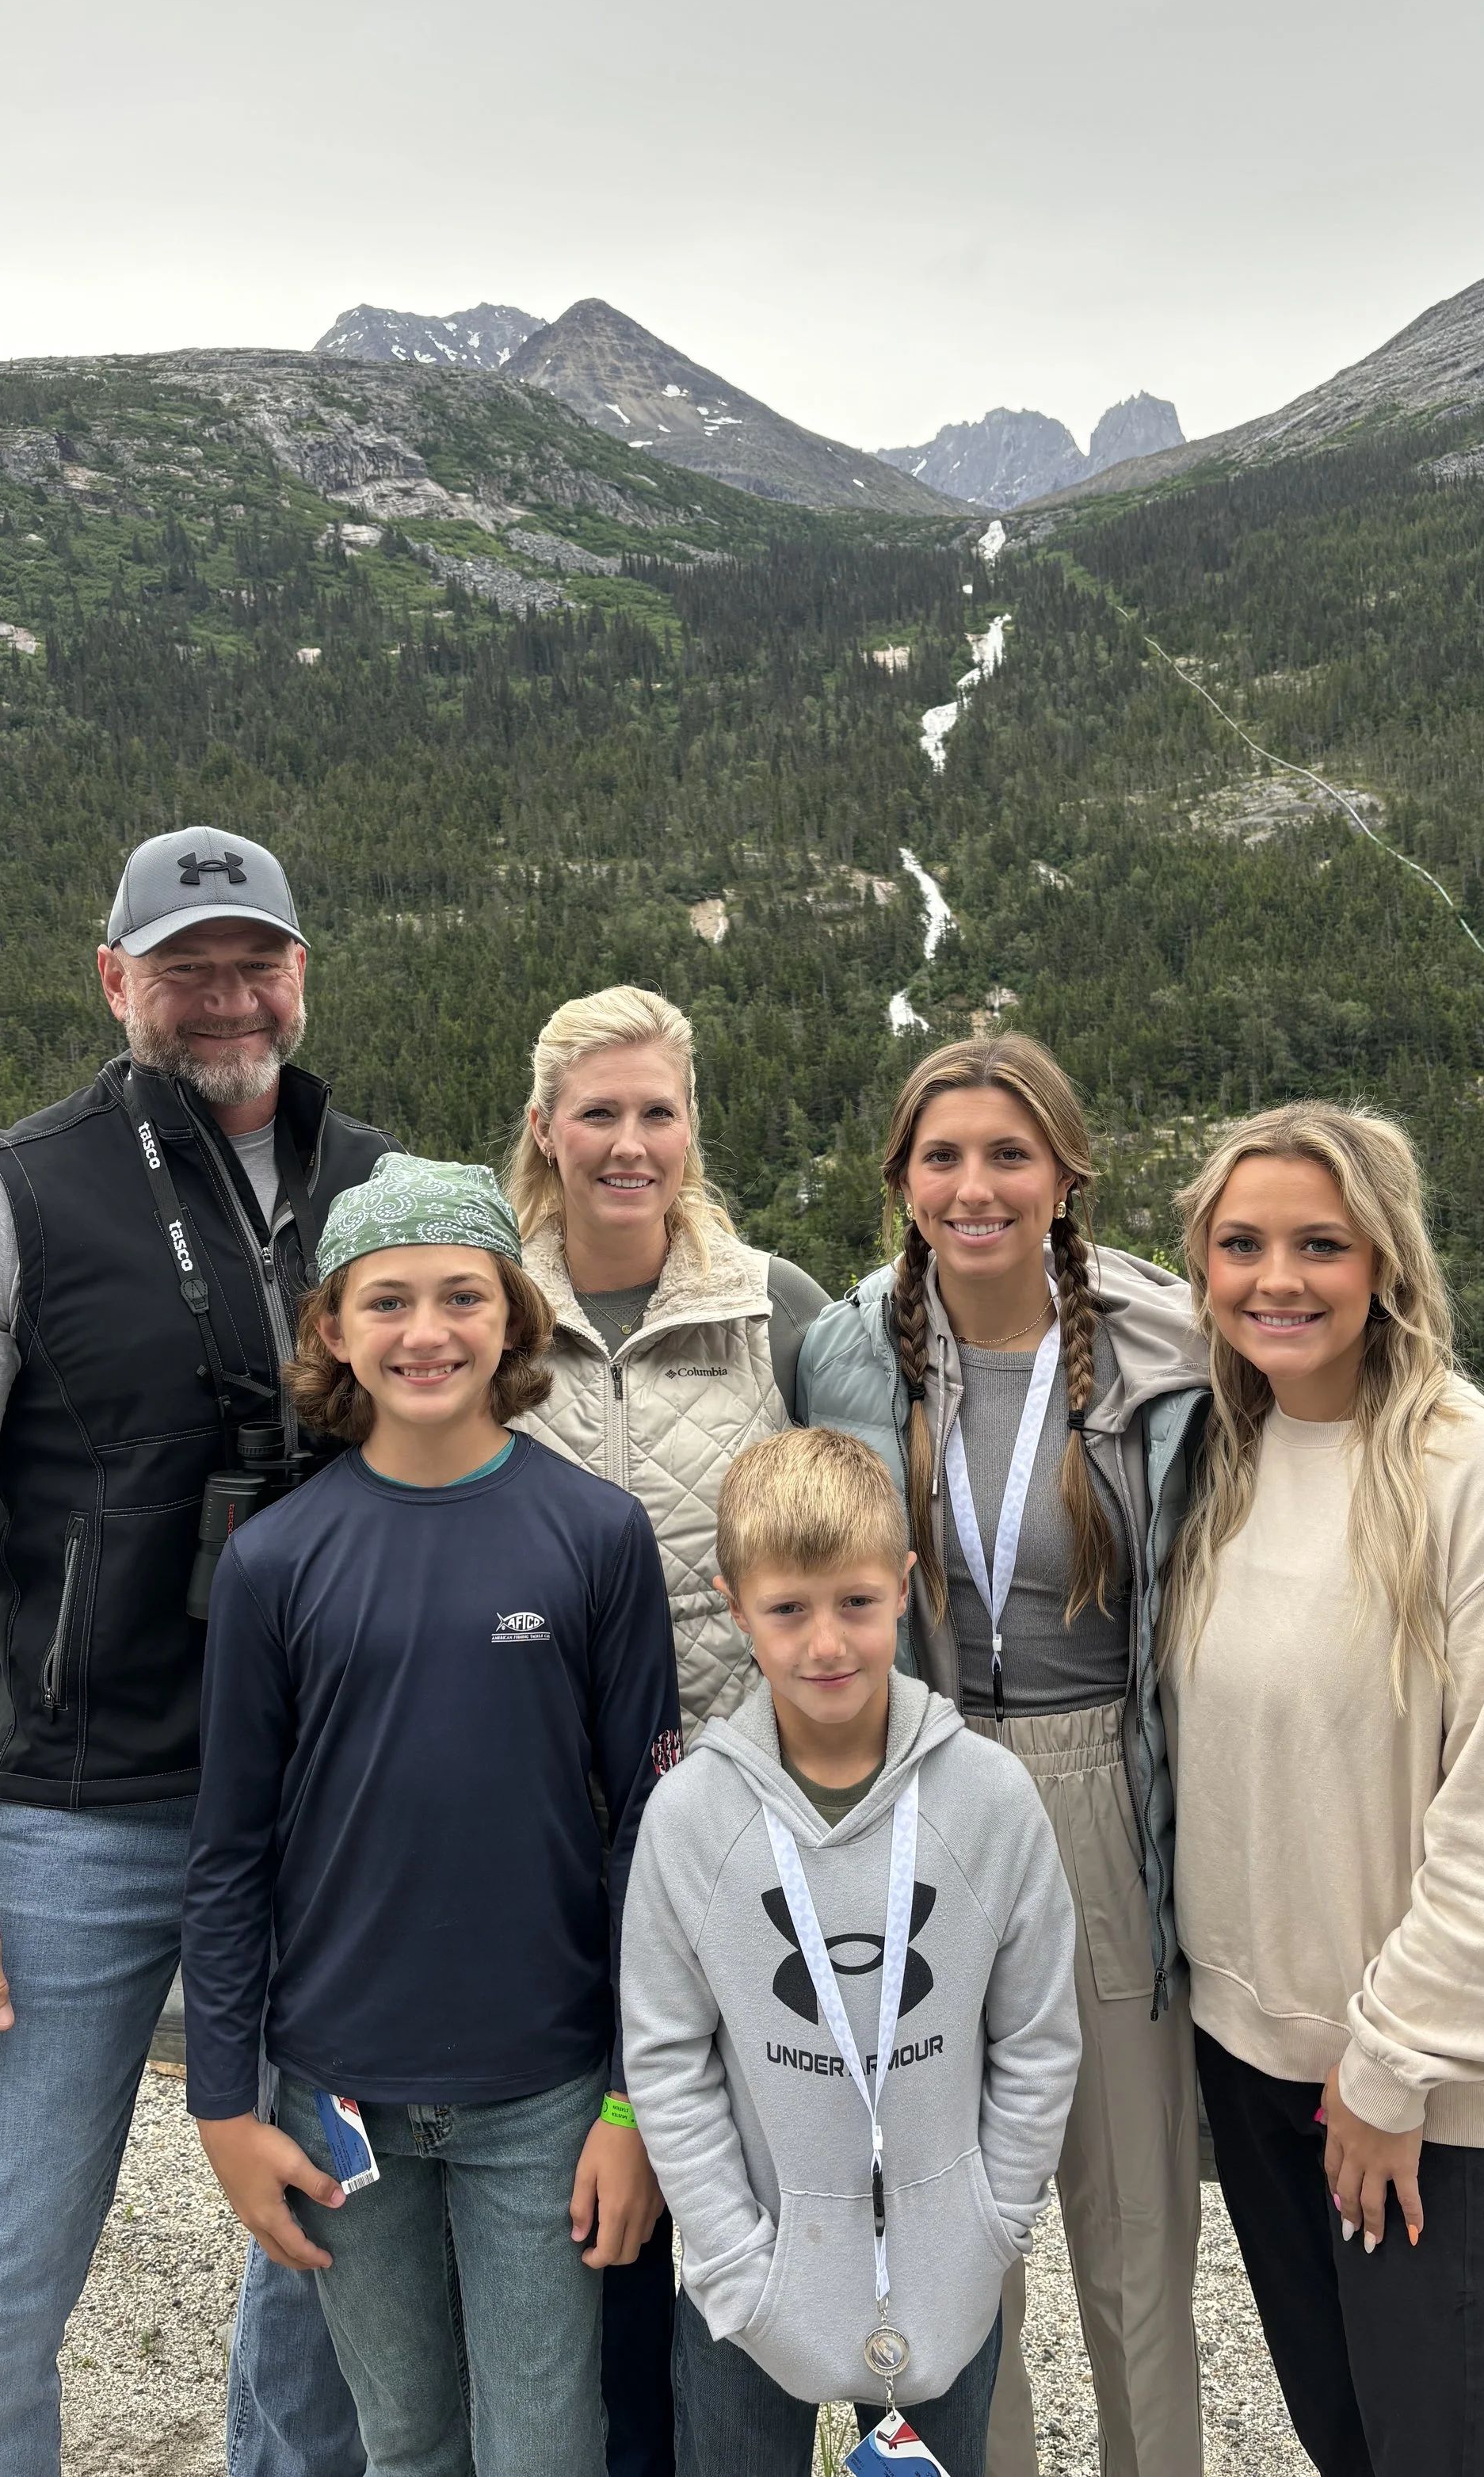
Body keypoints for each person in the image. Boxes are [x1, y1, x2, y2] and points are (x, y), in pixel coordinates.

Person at [0, 826, 391, 2477]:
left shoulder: (386, 1190)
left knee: (329, 2264)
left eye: (252, 957)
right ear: (113, 980)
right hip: (83, 1816)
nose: (222, 994)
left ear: (300, 969)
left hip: (327, 1815)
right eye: (182, 964)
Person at [185, 1156, 684, 2477]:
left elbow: (648, 1834)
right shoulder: (274, 1562)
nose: (426, 1332)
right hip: (336, 2090)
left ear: (513, 1317)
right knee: (401, 2440)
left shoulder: (594, 1535)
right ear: (333, 1332)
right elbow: (230, 1856)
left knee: (546, 2443)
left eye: (461, 1297)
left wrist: (632, 2108)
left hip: (547, 2091)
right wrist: (227, 2110)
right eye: (386, 1301)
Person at [1160, 1102, 1484, 2477]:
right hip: (1263, 2072)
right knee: (1352, 2447)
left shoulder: (1479, 1477)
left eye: (1320, 1244)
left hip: (1431, 2098)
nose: (1275, 1279)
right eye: (1240, 1245)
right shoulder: (1223, 1464)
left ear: (1389, 1265)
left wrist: (1392, 2065)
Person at [796, 1033, 1212, 2477]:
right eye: (943, 1157)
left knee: (1134, 2228)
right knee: (947, 2231)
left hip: (1099, 1790)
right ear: (903, 1183)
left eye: (1008, 1154)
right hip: (920, 1797)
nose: (975, 1187)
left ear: (1066, 1175)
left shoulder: (1170, 1342)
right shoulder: (845, 1350)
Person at [505, 982, 832, 2474]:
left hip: (742, 1837)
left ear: (692, 1130)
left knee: (748, 2187)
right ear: (545, 1131)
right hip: (539, 1843)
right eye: (599, 1114)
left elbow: (854, 1547)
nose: (628, 1144)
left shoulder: (780, 1310)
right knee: (583, 2201)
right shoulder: (483, 1309)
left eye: (656, 1114)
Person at [620, 1426, 1080, 2477]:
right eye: (788, 1610)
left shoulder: (989, 1801)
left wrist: (992, 2226)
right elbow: (666, 2055)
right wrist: (736, 2262)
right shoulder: (692, 1817)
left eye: (857, 1604)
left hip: (946, 2285)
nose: (826, 1643)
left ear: (906, 1589)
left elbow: (1039, 2037)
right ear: (738, 1609)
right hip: (754, 2288)